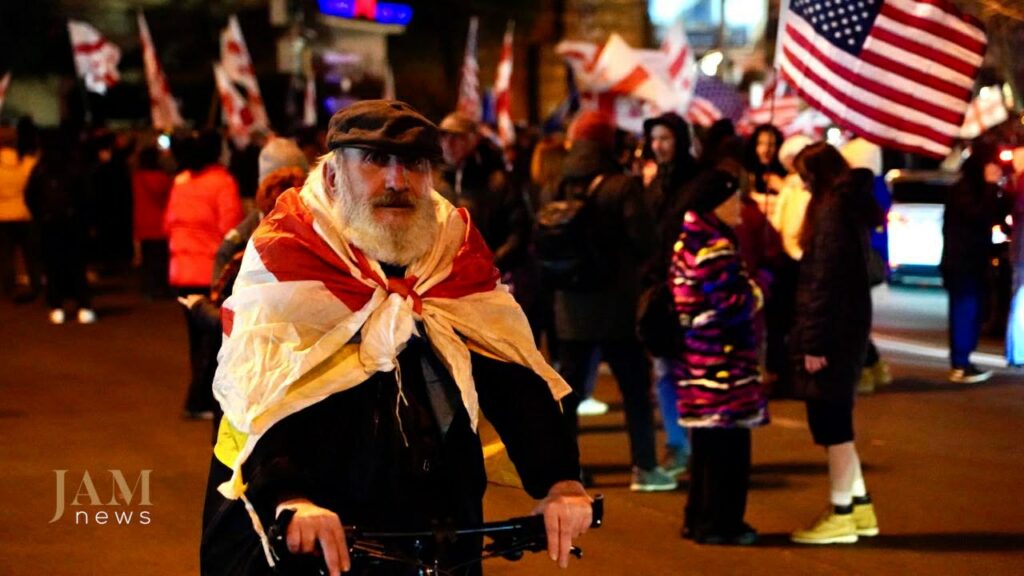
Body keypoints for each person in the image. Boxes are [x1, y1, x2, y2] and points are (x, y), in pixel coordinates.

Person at [199, 100, 593, 576]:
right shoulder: (290, 248)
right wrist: (289, 495)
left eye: (414, 164)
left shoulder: (452, 247)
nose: (396, 181)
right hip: (319, 534)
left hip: (440, 530)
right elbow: (255, 391)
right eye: (374, 161)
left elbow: (508, 370)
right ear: (331, 176)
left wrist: (560, 480)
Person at [552, 110, 674, 492]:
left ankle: (567, 470)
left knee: (568, 395)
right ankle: (644, 466)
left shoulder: (557, 185)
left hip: (570, 305)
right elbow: (646, 242)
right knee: (636, 391)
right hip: (617, 306)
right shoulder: (622, 186)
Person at [788, 143, 879, 545]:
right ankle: (859, 506)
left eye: (806, 178)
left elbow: (821, 284)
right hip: (849, 328)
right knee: (836, 420)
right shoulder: (848, 208)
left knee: (833, 425)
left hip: (833, 334)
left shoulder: (830, 214)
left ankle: (842, 511)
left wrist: (813, 343)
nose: (804, 187)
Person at [670, 169, 767, 545]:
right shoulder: (714, 245)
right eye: (734, 198)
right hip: (724, 363)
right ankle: (723, 524)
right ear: (718, 202)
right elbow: (733, 304)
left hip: (698, 359)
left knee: (707, 447)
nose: (740, 205)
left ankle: (699, 519)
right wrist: (757, 291)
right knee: (729, 448)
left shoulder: (688, 239)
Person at [165, 130, 243, 418]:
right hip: (210, 272)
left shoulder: (181, 181)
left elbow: (168, 224)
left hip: (180, 271)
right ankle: (201, 400)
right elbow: (230, 230)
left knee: (195, 339)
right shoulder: (222, 182)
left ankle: (198, 398)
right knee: (213, 339)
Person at [639, 111, 698, 477]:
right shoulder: (651, 185)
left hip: (689, 285)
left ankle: (696, 443)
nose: (659, 146)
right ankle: (677, 443)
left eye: (665, 138)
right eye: (654, 139)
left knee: (691, 367)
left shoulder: (695, 182)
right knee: (663, 369)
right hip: (658, 289)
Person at [940, 143, 1007, 383]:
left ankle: (963, 361)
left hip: (972, 261)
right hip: (962, 263)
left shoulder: (974, 189)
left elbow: (997, 215)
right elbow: (980, 215)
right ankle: (960, 364)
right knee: (965, 311)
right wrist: (991, 186)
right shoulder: (965, 191)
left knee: (974, 311)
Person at [24, 125, 97, 324]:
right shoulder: (75, 165)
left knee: (53, 267)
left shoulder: (41, 167)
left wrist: (40, 215)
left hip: (49, 224)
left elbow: (30, 195)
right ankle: (84, 305)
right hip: (74, 224)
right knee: (77, 266)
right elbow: (87, 196)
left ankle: (56, 306)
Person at [0, 116, 41, 301]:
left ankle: (9, 287)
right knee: (31, 253)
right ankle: (36, 283)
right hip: (24, 213)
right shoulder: (27, 163)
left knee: (5, 255)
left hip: (2, 215)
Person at [132, 143, 174, 299]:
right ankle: (161, 287)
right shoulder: (162, 178)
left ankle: (148, 288)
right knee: (161, 260)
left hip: (143, 223)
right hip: (160, 224)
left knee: (148, 260)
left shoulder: (137, 178)